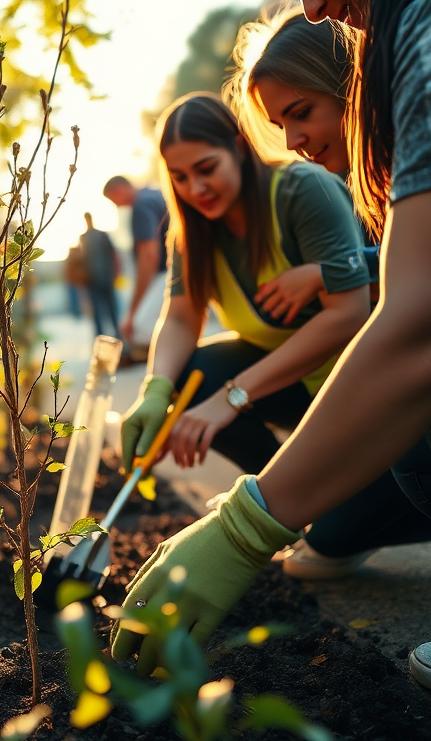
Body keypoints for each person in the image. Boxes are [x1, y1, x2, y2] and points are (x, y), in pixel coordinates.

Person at [111, 0, 431, 705]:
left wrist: (244, 527)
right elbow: (181, 314)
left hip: (363, 392)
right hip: (333, 405)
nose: (312, 6)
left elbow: (426, 324)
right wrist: (168, 390)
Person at [230, 7, 431, 579]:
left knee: (418, 452)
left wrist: (334, 272)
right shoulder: (363, 180)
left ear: (353, 85)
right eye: (281, 127)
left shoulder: (415, 160)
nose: (294, 141)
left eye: (301, 114)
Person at [119, 92, 370, 482]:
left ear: (238, 147)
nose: (195, 188)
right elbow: (182, 319)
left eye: (206, 168)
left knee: (341, 538)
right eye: (180, 177)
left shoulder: (303, 190)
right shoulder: (192, 231)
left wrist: (232, 396)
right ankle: (283, 490)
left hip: (357, 383)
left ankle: (321, 489)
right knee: (185, 375)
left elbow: (349, 315)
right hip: (288, 384)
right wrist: (154, 391)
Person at [103, 175, 169, 357]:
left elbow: (149, 255)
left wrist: (132, 312)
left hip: (169, 271)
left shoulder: (141, 205)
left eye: (113, 200)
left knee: (138, 328)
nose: (116, 206)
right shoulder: (155, 195)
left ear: (120, 190)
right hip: (177, 267)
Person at [80, 212, 121, 337]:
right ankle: (102, 338)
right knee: (99, 312)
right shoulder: (84, 237)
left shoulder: (101, 235)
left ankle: (118, 336)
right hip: (92, 279)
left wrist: (116, 272)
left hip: (106, 277)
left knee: (112, 310)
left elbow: (113, 254)